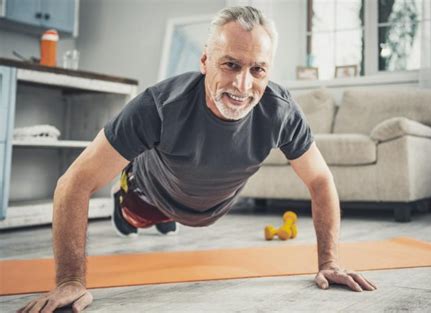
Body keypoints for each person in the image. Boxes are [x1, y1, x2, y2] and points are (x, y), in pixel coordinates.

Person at [18, 6, 376, 313]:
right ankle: (127, 198)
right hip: (148, 193)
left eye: (257, 70)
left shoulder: (280, 113)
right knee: (133, 218)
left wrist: (329, 263)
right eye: (231, 65)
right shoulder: (158, 106)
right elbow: (73, 183)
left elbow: (320, 180)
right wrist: (69, 280)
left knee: (177, 217)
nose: (242, 85)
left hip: (207, 209)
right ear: (205, 61)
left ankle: (169, 219)